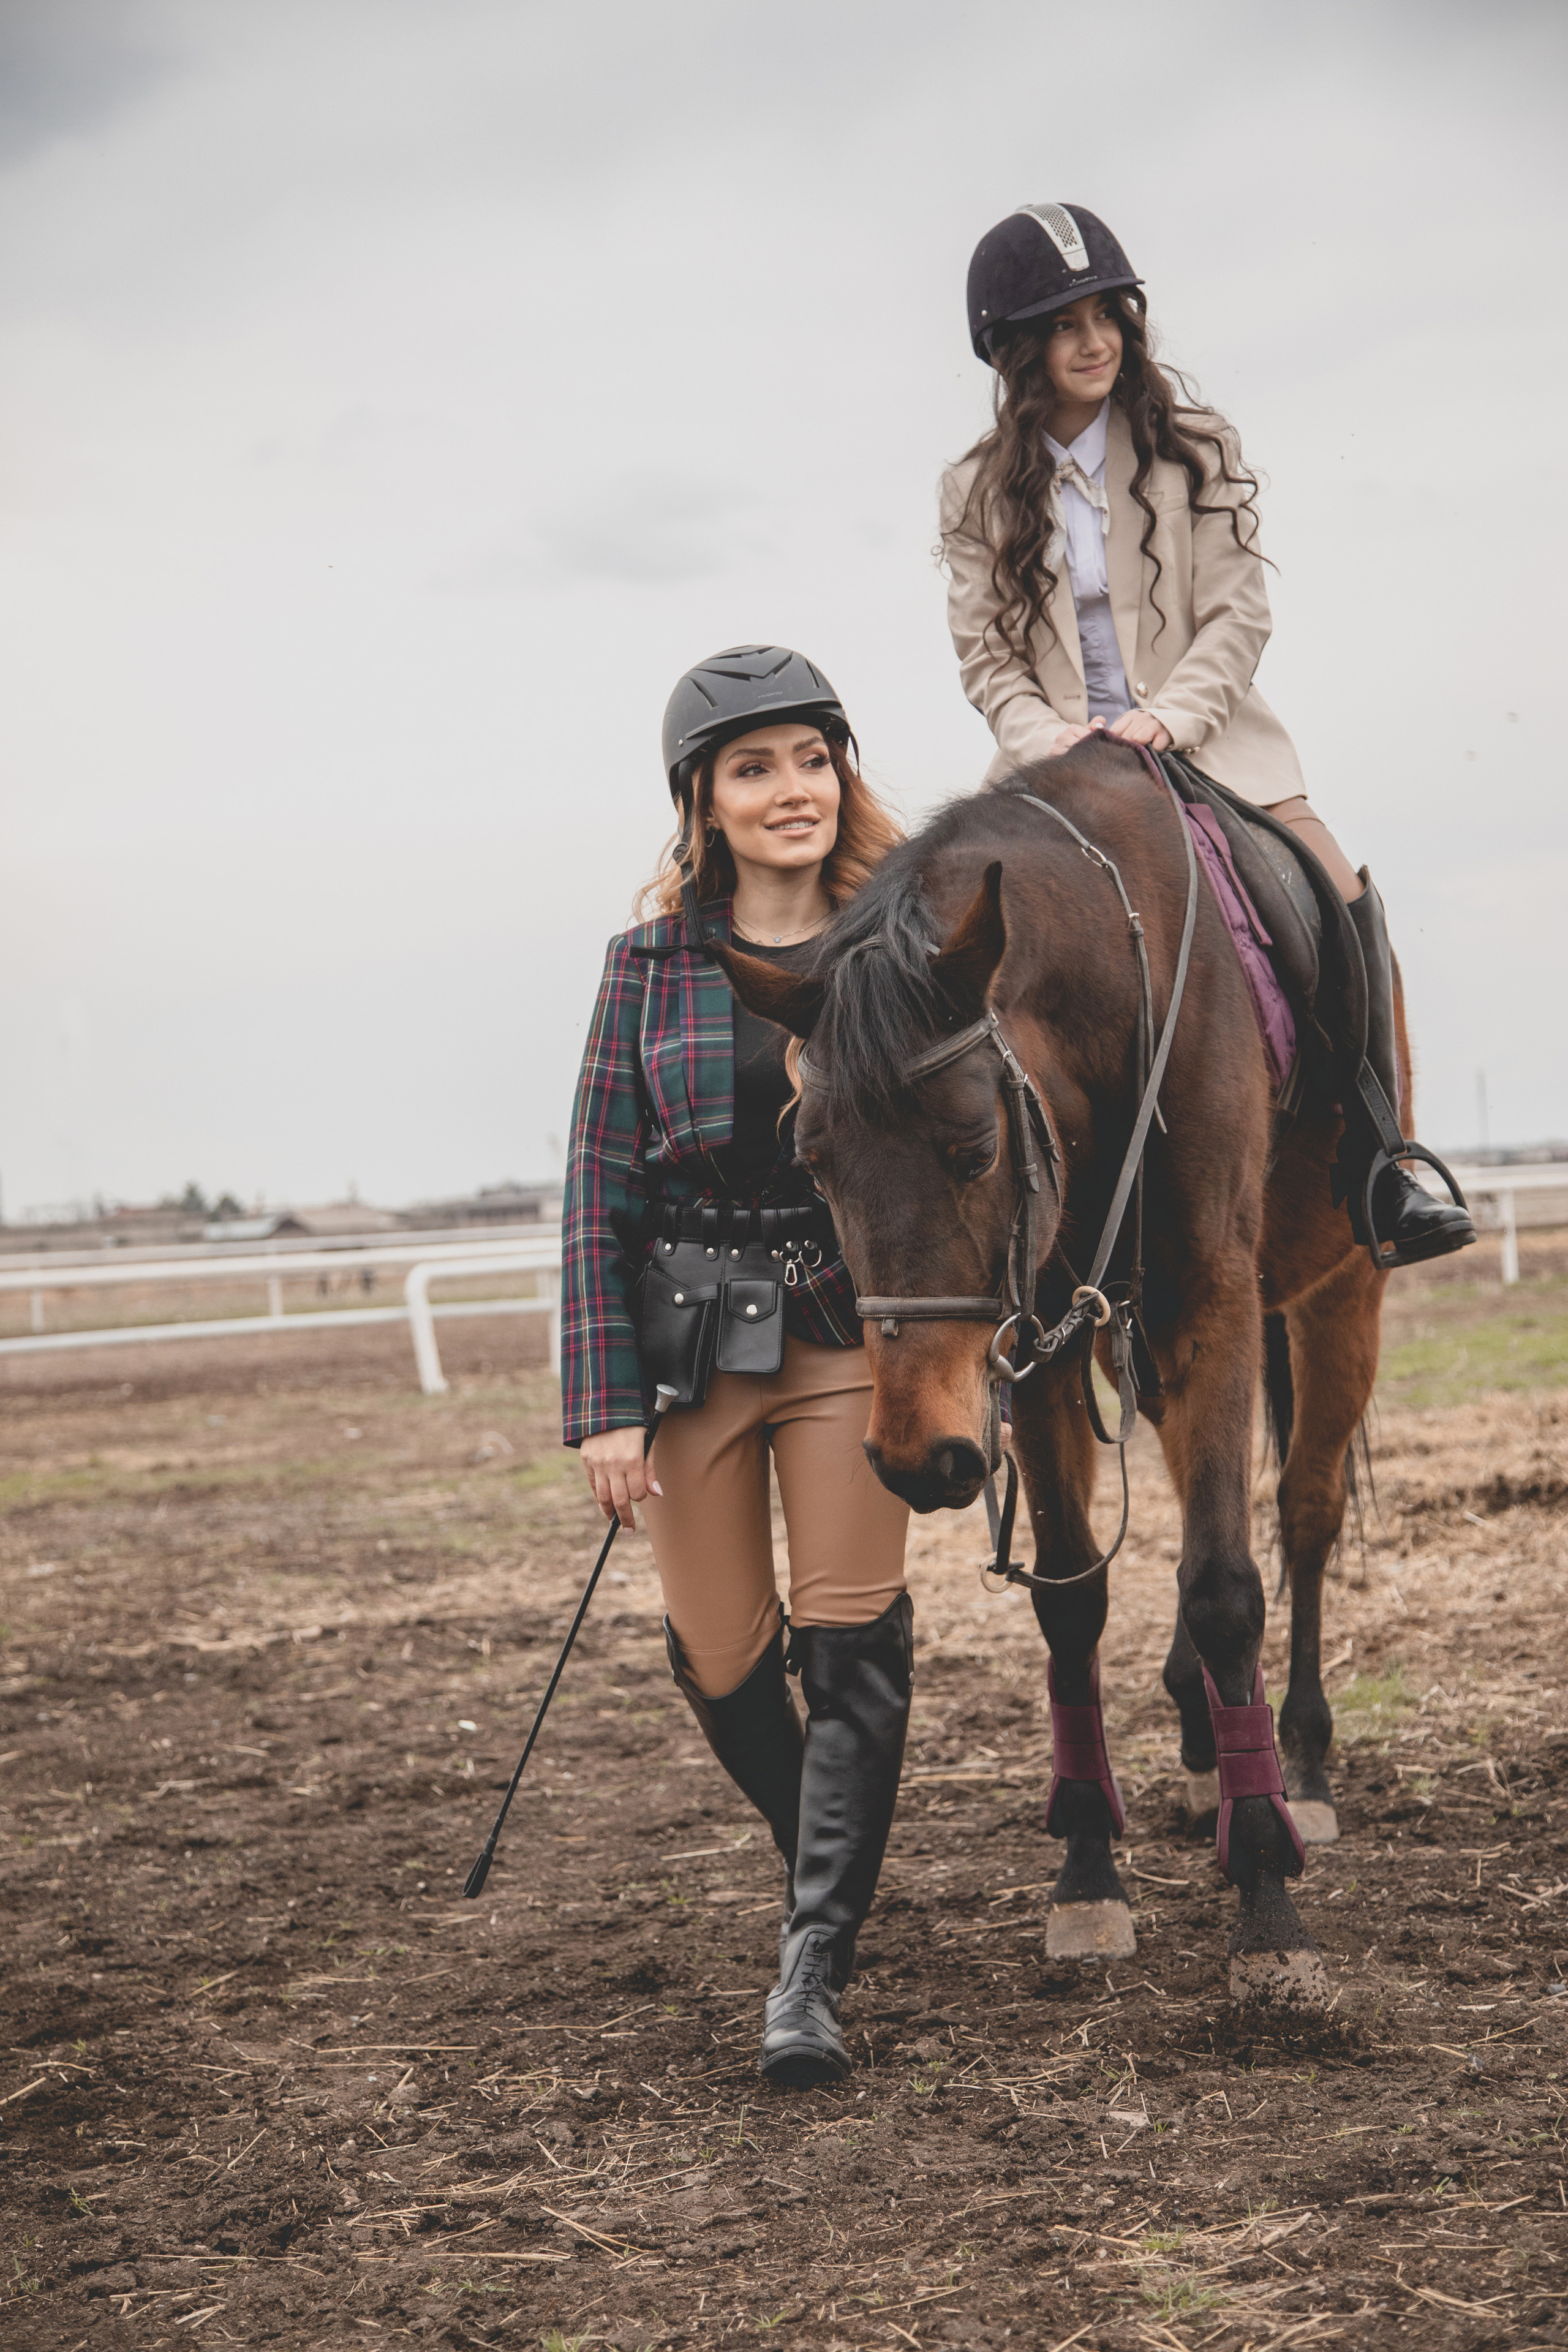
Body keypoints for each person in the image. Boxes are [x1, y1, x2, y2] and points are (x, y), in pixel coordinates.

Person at [940, 202, 1474, 1267]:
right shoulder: (971, 491)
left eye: (1109, 316)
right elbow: (985, 655)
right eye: (1065, 324)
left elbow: (1240, 614)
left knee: (1337, 888)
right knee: (951, 948)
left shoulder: (1196, 450)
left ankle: (1381, 1156)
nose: (1096, 341)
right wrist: (1044, 735)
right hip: (1049, 767)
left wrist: (1170, 717)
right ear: (1017, 350)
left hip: (1210, 741)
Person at [560, 645, 913, 2089]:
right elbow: (596, 1186)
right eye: (752, 767)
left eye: (811, 759)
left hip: (845, 1331)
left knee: (849, 1642)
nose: (791, 790)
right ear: (700, 799)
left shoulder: (903, 940)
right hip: (691, 1342)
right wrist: (599, 1408)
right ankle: (822, 1851)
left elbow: (958, 1170)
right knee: (720, 1654)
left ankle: (812, 1960)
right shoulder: (641, 969)